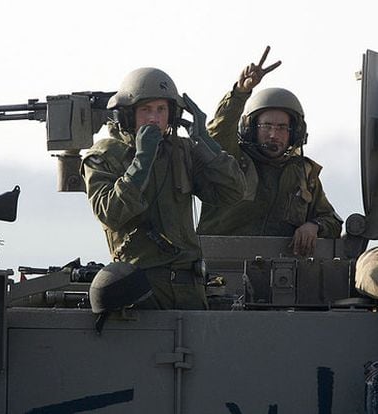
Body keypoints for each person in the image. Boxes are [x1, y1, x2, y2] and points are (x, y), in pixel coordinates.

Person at [81, 67, 246, 310]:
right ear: (127, 115)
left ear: (173, 115)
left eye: (161, 110)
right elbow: (110, 213)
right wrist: (141, 163)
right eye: (145, 110)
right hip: (141, 290)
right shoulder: (104, 156)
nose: (153, 118)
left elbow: (233, 192)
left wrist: (206, 144)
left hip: (190, 287)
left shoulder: (182, 151)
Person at [197, 47, 343, 257]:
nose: (274, 134)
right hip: (220, 266)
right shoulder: (230, 160)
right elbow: (217, 134)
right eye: (266, 126)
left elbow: (332, 221)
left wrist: (314, 226)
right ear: (250, 128)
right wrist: (240, 93)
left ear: (295, 133)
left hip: (281, 274)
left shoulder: (303, 174)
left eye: (282, 127)